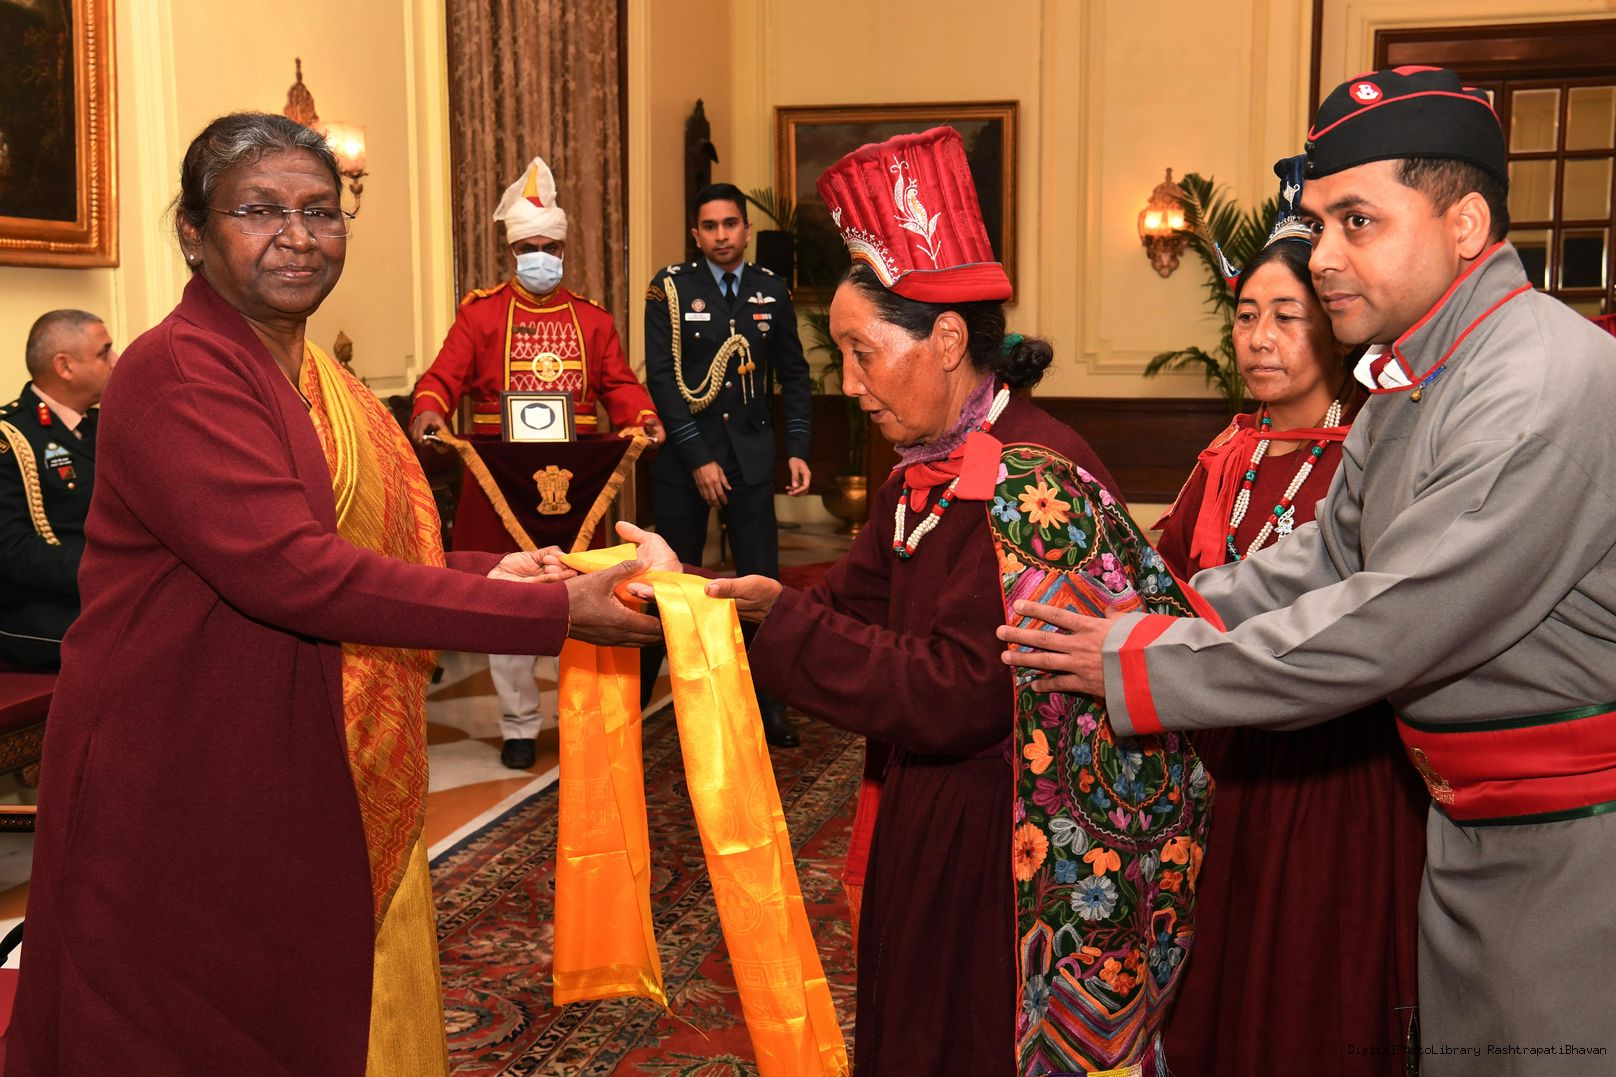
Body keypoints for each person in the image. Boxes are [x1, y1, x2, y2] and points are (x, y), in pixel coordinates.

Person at [5, 112, 660, 1077]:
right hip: (178, 752)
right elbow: (296, 570)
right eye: (258, 211)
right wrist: (557, 613)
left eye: (320, 210)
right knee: (175, 1020)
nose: (298, 236)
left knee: (279, 997)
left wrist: (490, 572)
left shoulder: (305, 369)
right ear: (192, 232)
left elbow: (349, 544)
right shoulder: (180, 368)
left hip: (283, 730)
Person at [1001, 67, 1616, 1074]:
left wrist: (1144, 660)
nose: (1321, 255)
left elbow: (1390, 620)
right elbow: (1326, 554)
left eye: (1356, 223)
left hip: (1574, 844)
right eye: (1320, 222)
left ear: (1463, 225)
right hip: (1471, 824)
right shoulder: (1419, 369)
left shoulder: (1534, 382)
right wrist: (1141, 606)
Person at [678, 127, 1211, 1076]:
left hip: (1007, 847)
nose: (849, 385)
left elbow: (965, 692)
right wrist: (691, 595)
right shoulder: (923, 471)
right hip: (933, 809)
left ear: (950, 339)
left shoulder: (1036, 482)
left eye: (863, 353)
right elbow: (849, 603)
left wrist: (778, 622)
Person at [1149, 158, 1427, 1074]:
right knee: (1221, 961)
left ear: (1335, 331)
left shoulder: (1370, 453)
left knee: (1307, 966)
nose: (1258, 340)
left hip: (1328, 754)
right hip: (1221, 742)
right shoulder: (1228, 451)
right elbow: (1161, 577)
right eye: (1246, 316)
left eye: (1287, 317)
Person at [409, 155, 662, 770]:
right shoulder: (480, 314)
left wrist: (643, 415)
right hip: (500, 483)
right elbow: (442, 377)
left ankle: (582, 720)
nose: (541, 257)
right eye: (530, 248)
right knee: (509, 598)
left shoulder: (593, 319)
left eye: (551, 247)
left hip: (578, 488)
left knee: (589, 597)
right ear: (513, 251)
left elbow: (619, 385)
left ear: (564, 249)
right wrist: (429, 408)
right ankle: (519, 724)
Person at [642, 183, 812, 748]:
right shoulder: (670, 289)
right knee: (668, 585)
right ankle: (638, 704)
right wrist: (698, 459)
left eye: (731, 224)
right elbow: (663, 379)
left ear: (746, 229)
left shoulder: (771, 290)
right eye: (710, 226)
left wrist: (798, 446)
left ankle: (770, 704)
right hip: (684, 463)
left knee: (762, 587)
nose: (722, 235)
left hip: (751, 460)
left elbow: (794, 375)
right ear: (696, 234)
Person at [0, 310, 116, 668]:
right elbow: (13, 550)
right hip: (38, 607)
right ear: (64, 366)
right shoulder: (11, 437)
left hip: (105, 592)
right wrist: (108, 572)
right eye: (104, 352)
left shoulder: (105, 426)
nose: (116, 361)